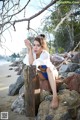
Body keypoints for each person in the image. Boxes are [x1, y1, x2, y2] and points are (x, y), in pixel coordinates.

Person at [23, 34, 59, 109]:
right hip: (42, 74)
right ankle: (31, 98)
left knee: (49, 69)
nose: (35, 47)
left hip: (51, 72)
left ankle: (55, 96)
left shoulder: (45, 54)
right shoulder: (32, 52)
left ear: (42, 47)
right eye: (34, 45)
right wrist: (29, 49)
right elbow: (31, 65)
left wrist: (31, 51)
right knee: (31, 71)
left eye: (38, 45)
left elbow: (34, 63)